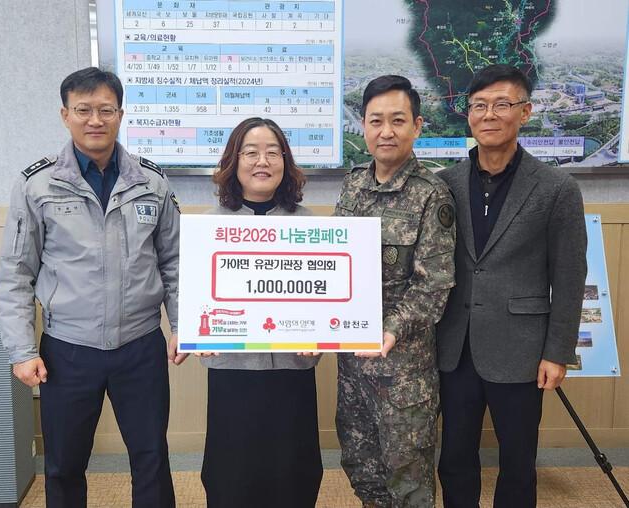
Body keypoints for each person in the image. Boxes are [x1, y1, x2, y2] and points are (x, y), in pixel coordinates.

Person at [0, 67, 185, 508]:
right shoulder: (37, 184)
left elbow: (174, 262)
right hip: (68, 350)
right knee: (64, 464)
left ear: (121, 114)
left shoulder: (152, 182)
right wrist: (21, 350)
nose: (94, 120)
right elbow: (16, 272)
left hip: (140, 346)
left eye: (105, 110)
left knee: (152, 458)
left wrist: (182, 325)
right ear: (65, 115)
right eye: (83, 110)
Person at [436, 64, 587, 508]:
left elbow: (569, 275)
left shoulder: (556, 188)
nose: (489, 115)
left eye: (501, 104)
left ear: (525, 112)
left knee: (518, 463)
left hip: (522, 349)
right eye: (478, 105)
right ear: (468, 114)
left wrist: (558, 351)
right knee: (454, 458)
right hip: (455, 347)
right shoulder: (443, 184)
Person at [334, 75, 456, 507]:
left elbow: (433, 283)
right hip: (353, 368)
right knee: (362, 469)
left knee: (408, 482)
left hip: (402, 372)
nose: (386, 131)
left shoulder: (431, 195)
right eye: (376, 121)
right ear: (364, 126)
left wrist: (390, 329)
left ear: (417, 126)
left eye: (398, 120)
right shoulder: (353, 185)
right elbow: (334, 265)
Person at [199, 117, 323, 508]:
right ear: (233, 161)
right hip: (232, 372)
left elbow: (325, 298)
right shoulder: (208, 228)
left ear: (286, 161)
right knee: (232, 479)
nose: (262, 161)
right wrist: (196, 331)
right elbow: (192, 292)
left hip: (292, 372)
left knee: (294, 476)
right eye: (250, 152)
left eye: (273, 152)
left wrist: (320, 334)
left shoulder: (309, 226)